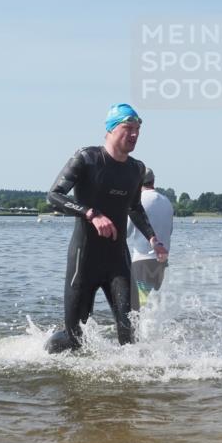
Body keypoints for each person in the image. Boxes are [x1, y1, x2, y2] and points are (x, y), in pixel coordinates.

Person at [44, 103, 168, 353]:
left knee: (130, 335)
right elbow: (54, 196)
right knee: (75, 339)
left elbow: (134, 207)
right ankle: (42, 351)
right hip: (84, 258)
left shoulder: (136, 169)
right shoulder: (87, 158)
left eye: (137, 129)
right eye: (127, 128)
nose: (134, 135)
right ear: (110, 130)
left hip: (117, 261)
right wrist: (91, 213)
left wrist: (153, 239)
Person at [127, 167, 173, 310]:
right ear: (153, 180)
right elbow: (169, 231)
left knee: (136, 308)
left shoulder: (136, 201)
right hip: (161, 262)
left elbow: (125, 233)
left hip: (142, 261)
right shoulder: (167, 201)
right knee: (152, 308)